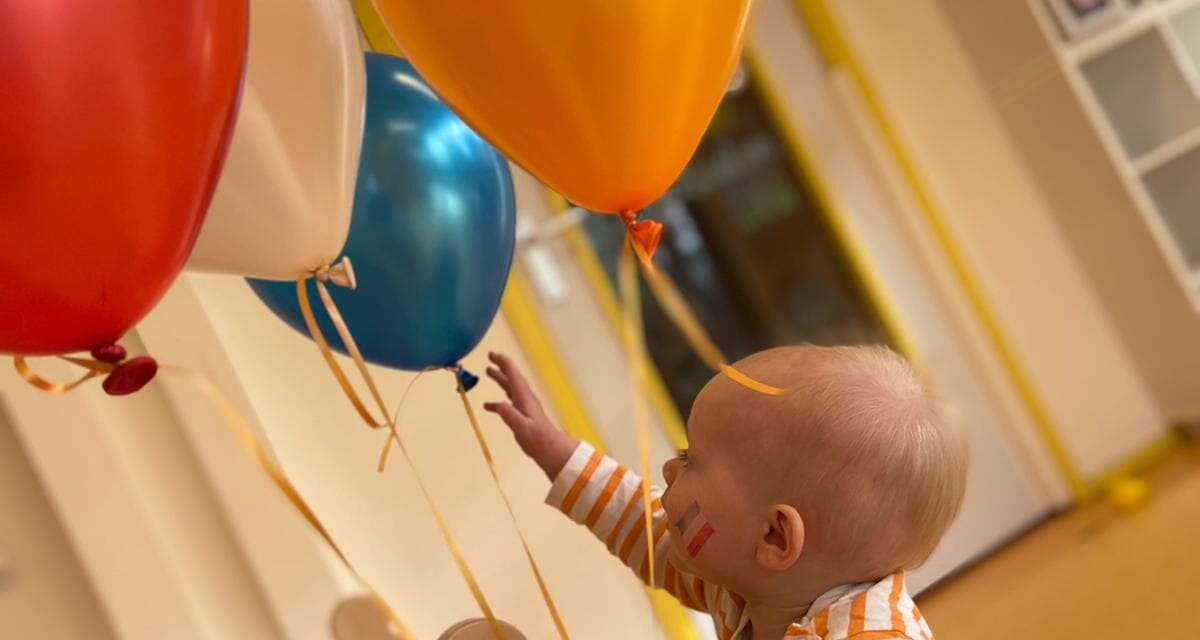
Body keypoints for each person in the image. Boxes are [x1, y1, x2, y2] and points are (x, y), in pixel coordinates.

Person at [484, 345, 967, 640]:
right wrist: (552, 448)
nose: (671, 469)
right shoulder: (747, 586)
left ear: (775, 537)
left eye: (692, 460)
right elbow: (646, 528)